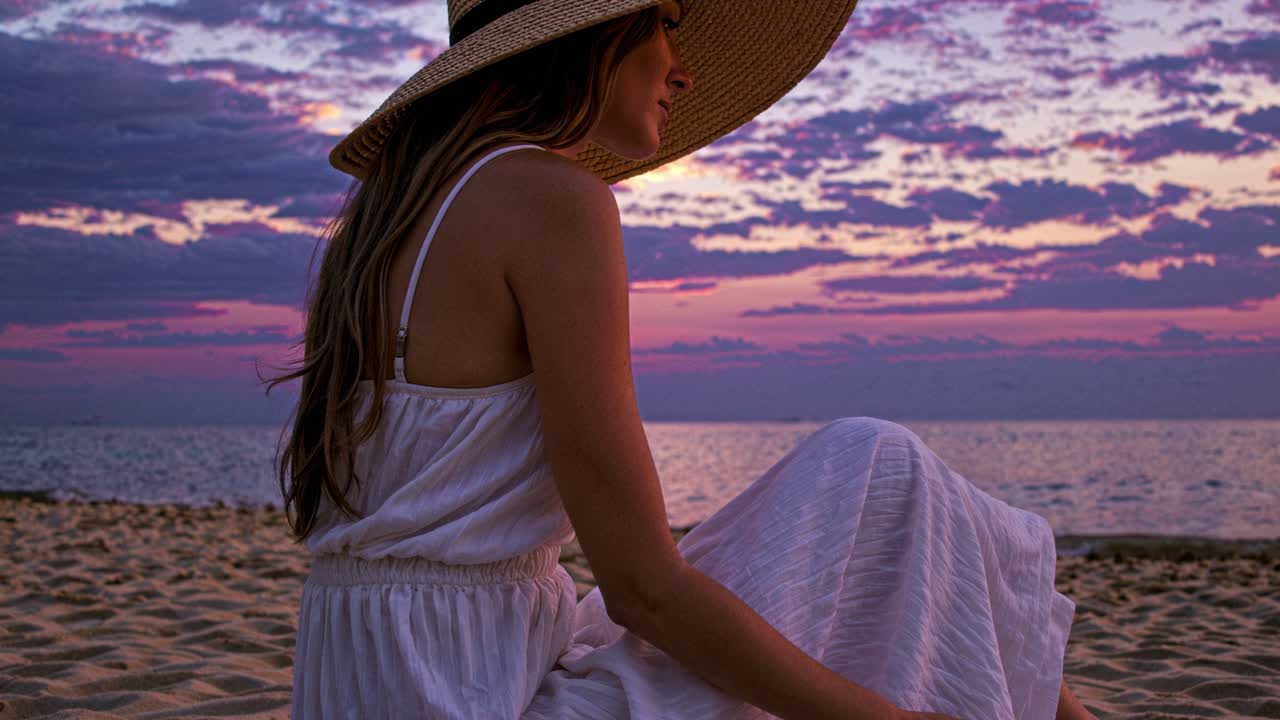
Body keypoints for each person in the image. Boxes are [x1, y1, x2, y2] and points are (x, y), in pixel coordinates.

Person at [266, 0, 1096, 718]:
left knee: (885, 486)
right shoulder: (553, 201)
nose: (682, 69)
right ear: (587, 38)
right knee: (881, 469)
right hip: (469, 695)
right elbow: (641, 589)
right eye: (663, 24)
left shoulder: (386, 223)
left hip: (382, 677)